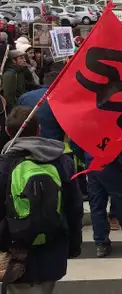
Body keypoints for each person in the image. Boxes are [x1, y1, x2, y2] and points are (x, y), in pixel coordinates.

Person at [0, 106, 83, 293]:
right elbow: (74, 208)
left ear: (7, 132)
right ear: (38, 130)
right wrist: (74, 246)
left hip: (16, 253)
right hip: (53, 248)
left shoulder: (5, 164)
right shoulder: (62, 161)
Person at [17, 71, 64, 141]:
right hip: (53, 144)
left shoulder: (24, 97)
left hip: (27, 142)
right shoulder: (61, 100)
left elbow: (17, 121)